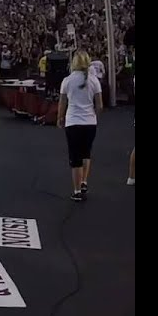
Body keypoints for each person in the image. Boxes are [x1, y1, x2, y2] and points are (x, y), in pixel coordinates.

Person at [58, 49, 103, 202]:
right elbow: (100, 105)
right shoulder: (94, 80)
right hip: (90, 122)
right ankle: (83, 181)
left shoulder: (67, 81)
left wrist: (60, 118)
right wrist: (94, 116)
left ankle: (77, 191)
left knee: (75, 157)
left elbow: (62, 102)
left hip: (73, 122)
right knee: (86, 153)